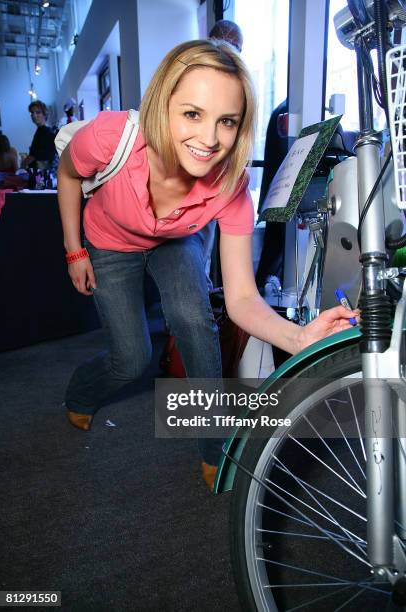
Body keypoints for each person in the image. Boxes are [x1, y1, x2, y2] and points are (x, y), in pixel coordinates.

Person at [57, 40, 357, 490]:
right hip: (110, 243)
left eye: (227, 121)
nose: (210, 139)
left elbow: (240, 299)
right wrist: (74, 250)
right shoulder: (109, 137)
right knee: (132, 358)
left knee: (197, 322)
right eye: (192, 114)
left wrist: (298, 338)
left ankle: (213, 445)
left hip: (174, 241)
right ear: (162, 103)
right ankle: (80, 395)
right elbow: (68, 174)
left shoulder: (231, 186)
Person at [23, 100, 56, 169]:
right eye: (32, 113)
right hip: (38, 172)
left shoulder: (48, 132)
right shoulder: (39, 131)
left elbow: (50, 154)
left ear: (44, 114)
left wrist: (33, 157)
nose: (34, 115)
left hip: (44, 174)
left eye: (38, 112)